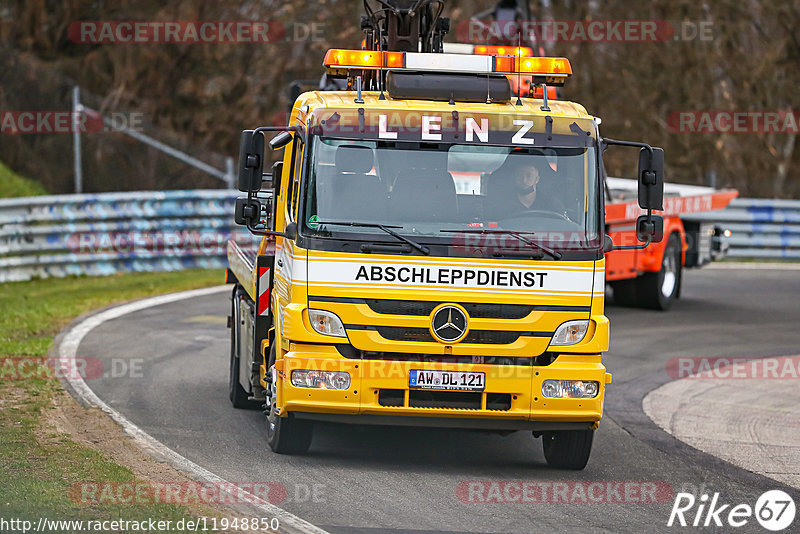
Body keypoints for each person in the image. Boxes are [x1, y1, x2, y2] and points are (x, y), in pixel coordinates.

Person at [486, 156, 567, 218]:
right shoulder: (501, 205)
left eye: (529, 176)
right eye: (520, 175)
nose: (524, 180)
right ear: (514, 178)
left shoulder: (552, 205)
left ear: (537, 179)